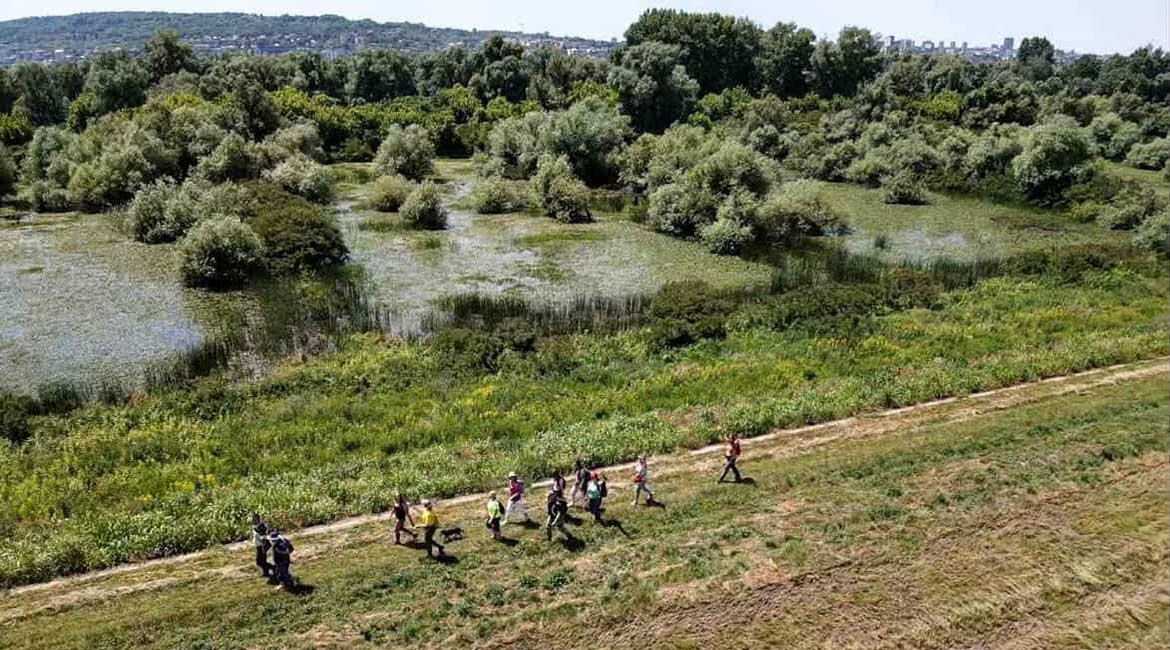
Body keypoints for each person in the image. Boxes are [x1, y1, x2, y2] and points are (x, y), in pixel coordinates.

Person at [251, 514, 271, 578]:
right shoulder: (255, 526)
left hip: (262, 545)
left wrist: (264, 545)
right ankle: (267, 572)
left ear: (258, 519)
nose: (253, 520)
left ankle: (272, 569)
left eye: (254, 518)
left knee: (261, 560)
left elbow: (264, 536)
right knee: (260, 561)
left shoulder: (262, 526)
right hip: (258, 545)